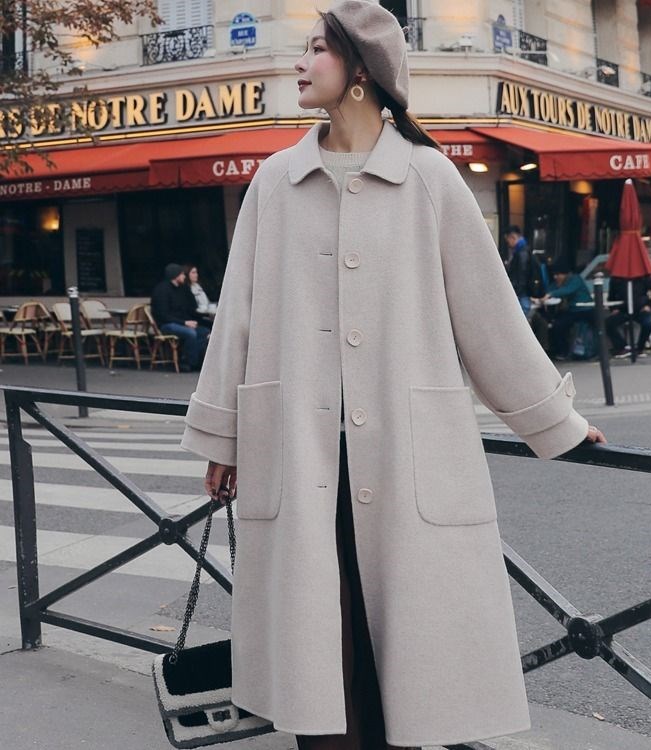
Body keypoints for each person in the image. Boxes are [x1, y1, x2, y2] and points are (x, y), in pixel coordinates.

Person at [179, 3, 606, 748]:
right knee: (319, 645)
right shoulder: (276, 182)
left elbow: (489, 320)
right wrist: (223, 439)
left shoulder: (429, 179)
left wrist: (554, 421)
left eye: (316, 49)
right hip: (299, 453)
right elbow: (235, 323)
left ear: (360, 71)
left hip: (407, 455)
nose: (299, 62)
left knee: (406, 652)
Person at [150, 263, 209, 372]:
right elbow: (163, 315)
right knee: (190, 333)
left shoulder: (182, 289)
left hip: (181, 322)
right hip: (166, 324)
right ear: (175, 275)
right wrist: (184, 323)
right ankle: (187, 362)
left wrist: (191, 320)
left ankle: (196, 361)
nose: (184, 276)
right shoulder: (161, 290)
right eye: (182, 274)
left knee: (204, 332)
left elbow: (189, 308)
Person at [534, 259, 593, 360]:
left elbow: (567, 290)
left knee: (560, 325)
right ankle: (556, 349)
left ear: (565, 274)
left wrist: (550, 294)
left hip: (583, 309)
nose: (556, 277)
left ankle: (563, 351)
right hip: (572, 310)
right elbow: (551, 289)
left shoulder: (575, 279)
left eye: (558, 274)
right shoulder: (559, 283)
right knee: (554, 323)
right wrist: (543, 296)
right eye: (554, 275)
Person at [606, 273, 651, 358]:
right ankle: (622, 347)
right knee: (608, 324)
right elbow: (611, 297)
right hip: (623, 310)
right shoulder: (616, 279)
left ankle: (640, 347)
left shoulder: (643, 277)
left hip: (640, 309)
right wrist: (614, 308)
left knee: (648, 324)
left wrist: (650, 306)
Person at [504, 225, 543, 317]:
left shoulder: (521, 252)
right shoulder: (523, 250)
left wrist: (516, 291)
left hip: (522, 292)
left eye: (508, 240)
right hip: (524, 291)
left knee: (520, 315)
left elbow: (521, 274)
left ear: (513, 237)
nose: (508, 243)